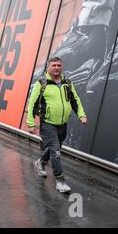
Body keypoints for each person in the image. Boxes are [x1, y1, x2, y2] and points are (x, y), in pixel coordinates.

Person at [27, 57, 87, 193]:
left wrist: (81, 115)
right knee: (55, 149)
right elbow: (32, 104)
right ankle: (60, 180)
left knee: (56, 147)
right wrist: (31, 123)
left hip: (63, 123)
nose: (57, 68)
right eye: (53, 65)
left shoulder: (67, 83)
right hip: (47, 123)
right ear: (48, 68)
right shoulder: (41, 83)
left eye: (59, 65)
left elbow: (75, 100)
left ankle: (41, 162)